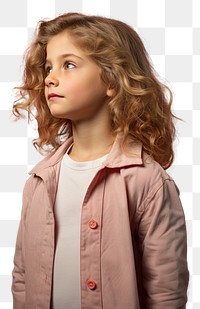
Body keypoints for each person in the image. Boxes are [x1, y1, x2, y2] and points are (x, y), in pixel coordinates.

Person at [11, 12, 189, 309]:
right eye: (48, 67)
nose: (50, 78)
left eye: (68, 65)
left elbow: (166, 292)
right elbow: (23, 276)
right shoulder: (38, 182)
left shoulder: (148, 182)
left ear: (112, 79)